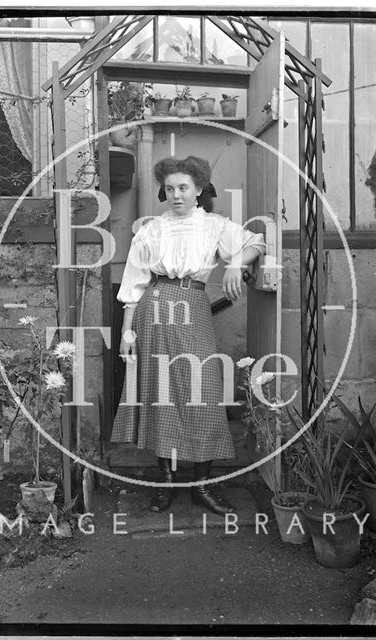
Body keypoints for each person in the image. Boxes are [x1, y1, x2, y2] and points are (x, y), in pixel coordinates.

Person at [111, 156, 266, 515]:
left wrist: (235, 262)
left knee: (204, 393)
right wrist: (125, 332)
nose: (176, 195)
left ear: (198, 189)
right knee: (159, 394)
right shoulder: (150, 229)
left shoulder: (214, 226)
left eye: (183, 188)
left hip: (193, 308)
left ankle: (202, 486)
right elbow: (134, 282)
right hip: (153, 309)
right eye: (170, 189)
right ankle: (165, 484)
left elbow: (256, 241)